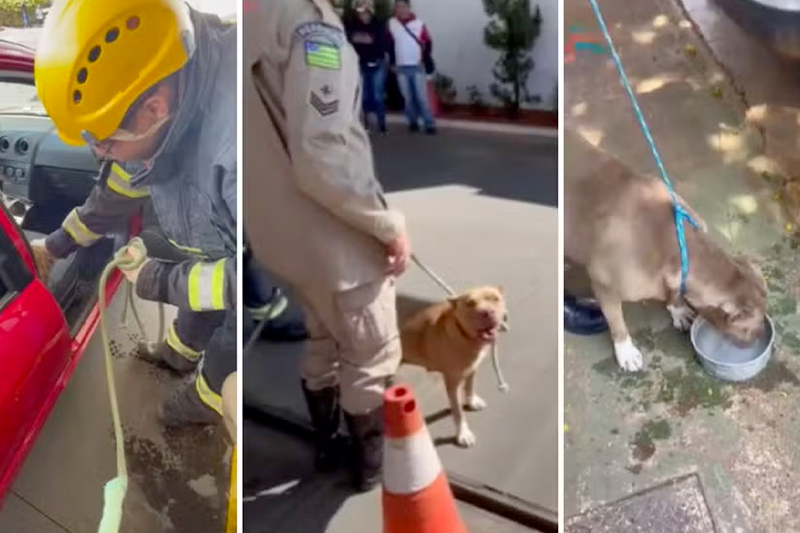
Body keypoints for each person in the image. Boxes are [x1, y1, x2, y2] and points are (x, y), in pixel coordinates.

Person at [31, 0, 237, 428]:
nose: (99, 154)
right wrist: (55, 246)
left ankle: (206, 399)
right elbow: (119, 190)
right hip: (213, 247)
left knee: (230, 340)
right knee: (198, 300)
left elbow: (254, 280)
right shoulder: (163, 94)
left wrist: (156, 279)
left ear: (154, 110)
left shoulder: (236, 145)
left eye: (103, 143)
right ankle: (179, 354)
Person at [244, 0, 410, 492]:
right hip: (336, 237)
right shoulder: (311, 28)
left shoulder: (248, 20)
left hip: (282, 236)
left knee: (322, 337)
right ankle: (369, 467)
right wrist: (385, 223)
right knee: (370, 352)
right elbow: (322, 155)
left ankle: (326, 444)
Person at [387, 0, 436, 134]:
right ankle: (412, 121)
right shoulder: (391, 23)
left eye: (404, 7)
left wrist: (424, 59)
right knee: (407, 98)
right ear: (395, 9)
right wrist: (392, 63)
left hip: (417, 66)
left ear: (409, 8)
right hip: (401, 67)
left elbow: (428, 42)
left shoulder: (419, 24)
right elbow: (390, 44)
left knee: (421, 97)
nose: (401, 10)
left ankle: (429, 123)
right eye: (398, 7)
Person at [346, 0, 389, 134]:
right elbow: (349, 44)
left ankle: (382, 125)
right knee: (363, 97)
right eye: (361, 12)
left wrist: (366, 41)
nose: (364, 15)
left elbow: (381, 44)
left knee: (377, 97)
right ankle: (365, 124)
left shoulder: (378, 25)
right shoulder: (352, 25)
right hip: (360, 65)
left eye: (366, 12)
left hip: (377, 64)